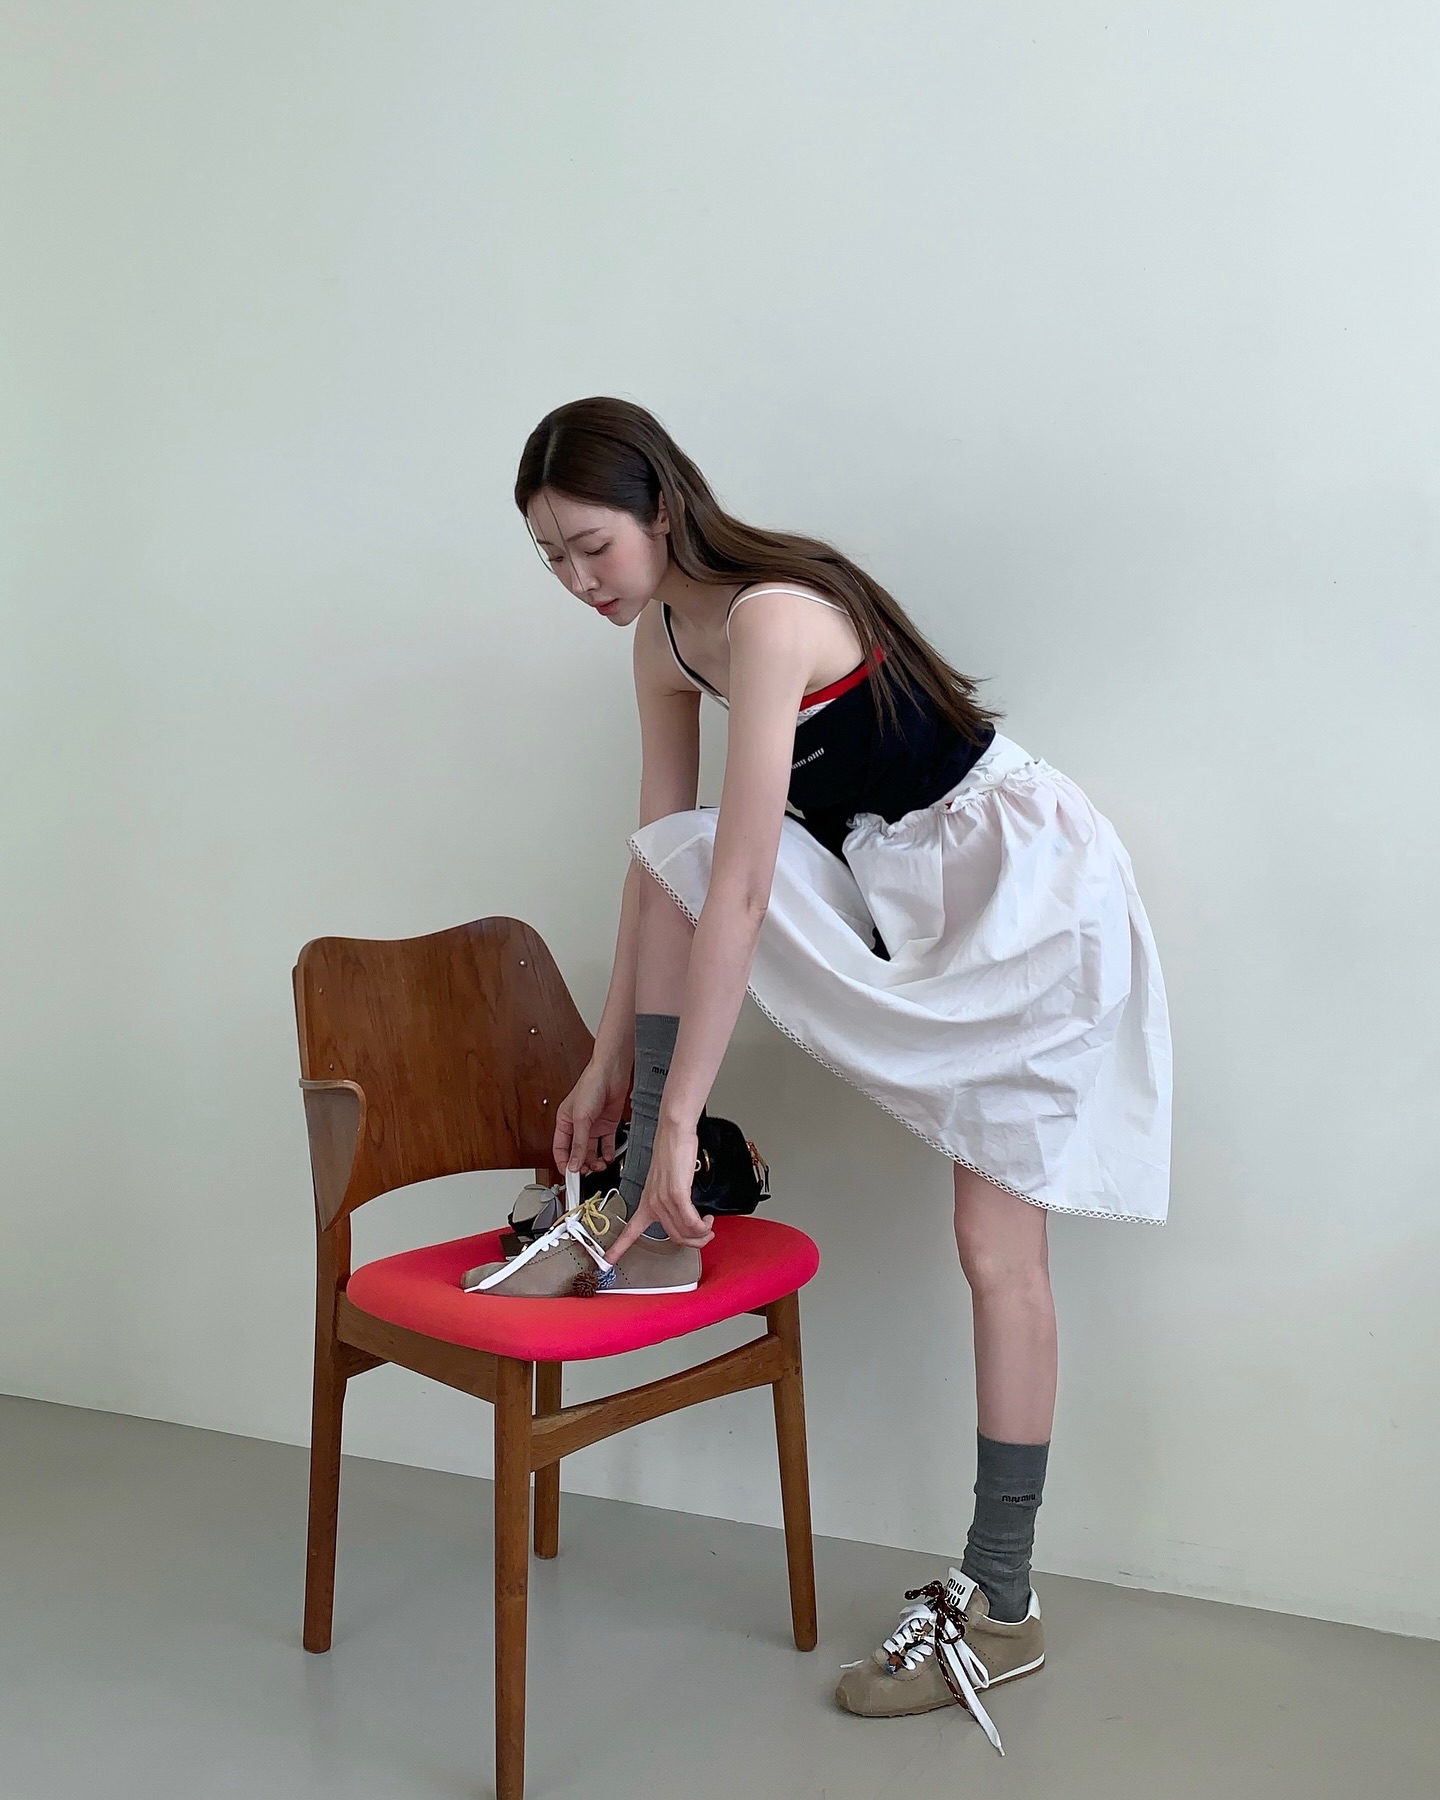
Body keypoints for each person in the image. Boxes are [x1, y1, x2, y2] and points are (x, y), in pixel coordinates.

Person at [486, 395, 1172, 1744]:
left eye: (589, 547)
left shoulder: (772, 617)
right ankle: (640, 1218)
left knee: (994, 1248)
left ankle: (1004, 1599)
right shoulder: (662, 644)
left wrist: (678, 1121)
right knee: (673, 850)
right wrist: (606, 1063)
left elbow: (744, 887)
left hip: (1022, 896)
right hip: (894, 891)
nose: (576, 581)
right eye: (549, 559)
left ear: (660, 507)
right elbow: (664, 865)